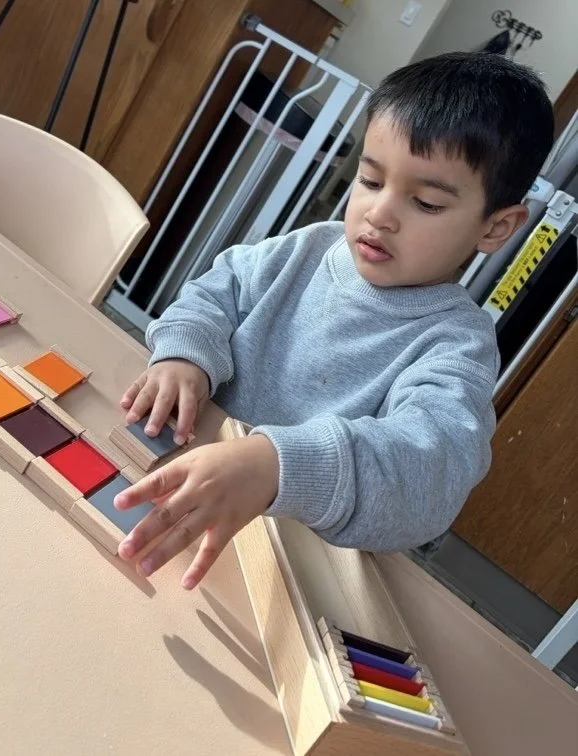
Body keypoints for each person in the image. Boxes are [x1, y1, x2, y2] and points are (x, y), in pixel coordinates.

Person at [113, 52, 555, 590]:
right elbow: (218, 291)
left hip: (287, 570)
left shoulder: (455, 345)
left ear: (496, 227)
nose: (380, 213)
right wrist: (185, 352)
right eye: (370, 180)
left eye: (426, 203)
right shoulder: (307, 248)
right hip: (177, 491)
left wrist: (278, 464)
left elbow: (431, 469)